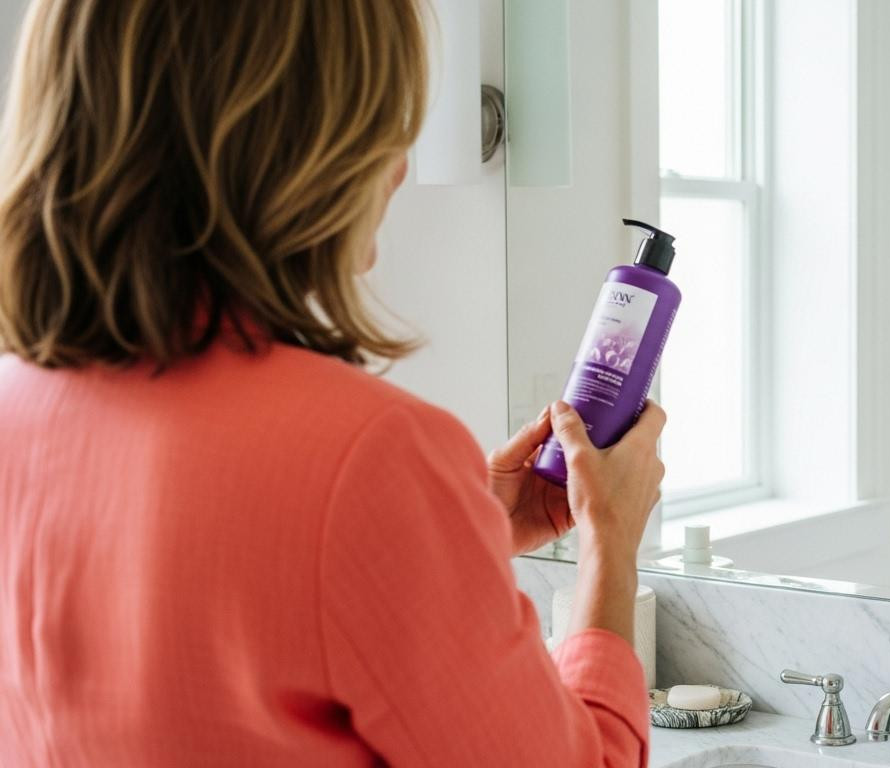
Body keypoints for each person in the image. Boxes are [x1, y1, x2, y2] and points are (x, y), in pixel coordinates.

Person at [0, 1, 664, 764]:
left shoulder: (14, 408)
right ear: (303, 148)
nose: (403, 166)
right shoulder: (369, 457)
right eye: (385, 122)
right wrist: (609, 548)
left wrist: (449, 532)